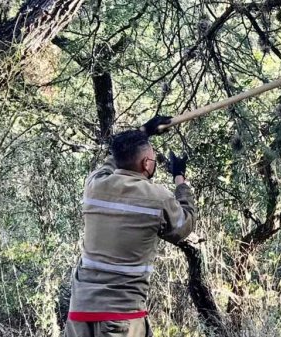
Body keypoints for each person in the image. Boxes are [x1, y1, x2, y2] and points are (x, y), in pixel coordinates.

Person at [64, 116, 195, 337]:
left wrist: (143, 131)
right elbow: (184, 225)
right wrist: (180, 180)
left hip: (80, 312)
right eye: (153, 159)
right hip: (121, 316)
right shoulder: (158, 198)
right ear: (146, 164)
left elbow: (113, 159)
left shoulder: (94, 185)